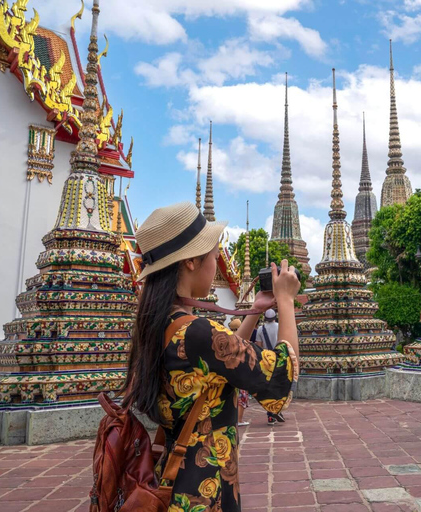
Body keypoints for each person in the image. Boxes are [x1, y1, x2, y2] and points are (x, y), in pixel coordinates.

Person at [121, 202, 299, 512]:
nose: (217, 263)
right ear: (191, 261)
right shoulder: (198, 332)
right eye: (215, 255)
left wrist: (254, 313)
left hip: (172, 482)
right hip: (206, 493)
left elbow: (219, 366)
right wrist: (286, 301)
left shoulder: (159, 325)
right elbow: (281, 379)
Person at [257, 310, 284, 425]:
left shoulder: (260, 329)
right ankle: (277, 409)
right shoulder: (280, 327)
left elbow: (258, 347)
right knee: (280, 386)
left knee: (268, 387)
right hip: (279, 359)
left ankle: (270, 414)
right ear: (275, 316)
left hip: (267, 360)